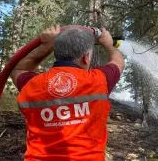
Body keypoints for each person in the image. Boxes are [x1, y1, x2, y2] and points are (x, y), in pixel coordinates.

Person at [10, 25, 125, 161]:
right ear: (86, 57)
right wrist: (108, 44)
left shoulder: (33, 84)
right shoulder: (99, 80)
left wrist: (47, 46)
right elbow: (118, 62)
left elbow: (17, 69)